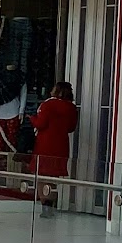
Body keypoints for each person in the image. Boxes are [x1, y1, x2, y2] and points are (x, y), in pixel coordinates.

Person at [33, 80, 79, 213]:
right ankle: (51, 204)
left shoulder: (48, 104)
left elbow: (40, 124)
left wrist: (32, 119)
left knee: (41, 175)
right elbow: (71, 128)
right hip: (61, 145)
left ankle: (44, 205)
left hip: (45, 143)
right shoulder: (71, 108)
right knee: (53, 177)